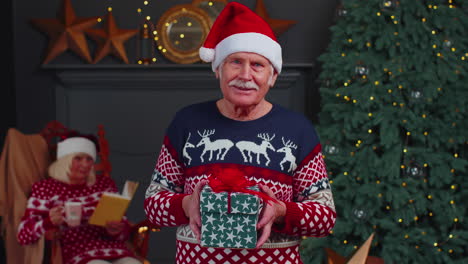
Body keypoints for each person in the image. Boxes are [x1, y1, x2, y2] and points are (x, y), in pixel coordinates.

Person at [144, 2, 336, 263]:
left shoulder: (297, 129)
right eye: (235, 62)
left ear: (273, 76)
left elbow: (324, 217)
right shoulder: (188, 122)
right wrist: (188, 205)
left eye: (257, 65)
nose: (245, 75)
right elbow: (153, 206)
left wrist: (280, 211)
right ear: (218, 70)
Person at [17, 131, 142, 264]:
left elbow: (124, 233)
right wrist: (49, 221)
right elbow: (24, 235)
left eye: (89, 159)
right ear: (65, 160)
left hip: (112, 248)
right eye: (78, 158)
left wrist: (116, 230)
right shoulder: (45, 189)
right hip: (75, 251)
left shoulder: (104, 184)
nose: (85, 164)